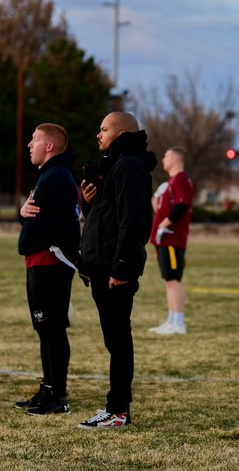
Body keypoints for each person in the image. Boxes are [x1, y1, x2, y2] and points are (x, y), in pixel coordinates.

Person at [76, 112, 156, 429]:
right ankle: (115, 407)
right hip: (102, 265)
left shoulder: (129, 166)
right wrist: (88, 204)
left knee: (119, 339)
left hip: (115, 268)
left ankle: (118, 410)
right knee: (113, 339)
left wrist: (122, 266)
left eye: (104, 129)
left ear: (121, 132)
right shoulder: (115, 165)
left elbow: (133, 221)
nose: (98, 134)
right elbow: (108, 218)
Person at [13, 123, 80, 415]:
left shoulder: (58, 177)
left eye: (35, 139)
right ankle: (49, 388)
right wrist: (23, 215)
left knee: (52, 328)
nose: (30, 144)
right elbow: (39, 217)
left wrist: (57, 248)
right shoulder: (48, 176)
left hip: (50, 263)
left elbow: (65, 226)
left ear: (50, 146)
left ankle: (58, 396)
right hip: (38, 260)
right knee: (44, 328)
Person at [148, 146, 195, 335]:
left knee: (173, 280)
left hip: (171, 238)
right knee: (168, 280)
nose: (163, 159)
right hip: (163, 239)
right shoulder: (172, 181)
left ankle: (178, 322)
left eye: (166, 156)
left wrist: (163, 225)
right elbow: (165, 208)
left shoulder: (181, 178)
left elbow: (181, 206)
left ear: (175, 158)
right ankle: (171, 320)